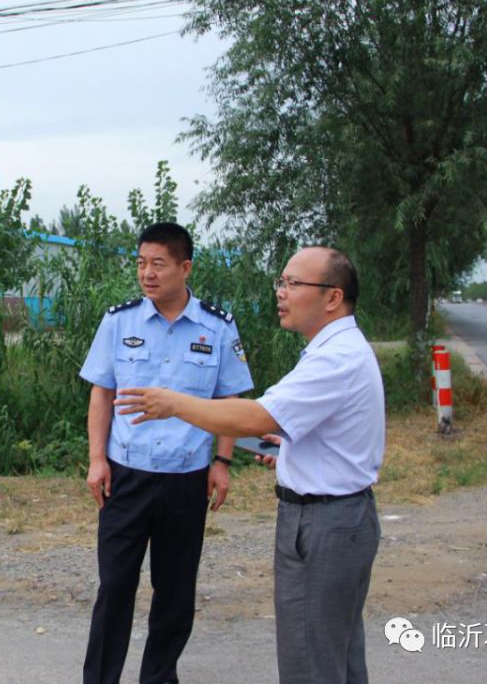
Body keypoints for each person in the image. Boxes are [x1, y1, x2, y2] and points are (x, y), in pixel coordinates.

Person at [114, 246, 385, 684]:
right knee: (337, 656)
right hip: (337, 516)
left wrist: (174, 403)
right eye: (281, 282)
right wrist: (286, 443)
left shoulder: (335, 358)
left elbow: (256, 416)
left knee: (311, 663)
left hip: (324, 524)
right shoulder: (335, 348)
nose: (281, 293)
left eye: (293, 284)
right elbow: (301, 424)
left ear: (332, 297)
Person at [80, 222, 254, 684]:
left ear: (185, 267)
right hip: (126, 476)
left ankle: (159, 677)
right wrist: (97, 459)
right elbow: (101, 394)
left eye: (158, 263)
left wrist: (223, 462)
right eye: (141, 263)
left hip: (186, 479)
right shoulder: (119, 321)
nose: (147, 274)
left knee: (175, 593)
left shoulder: (217, 327)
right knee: (115, 586)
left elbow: (230, 400)